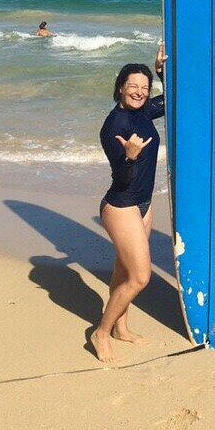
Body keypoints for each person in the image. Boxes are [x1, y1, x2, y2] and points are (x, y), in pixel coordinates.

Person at [91, 43, 166, 364]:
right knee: (140, 277)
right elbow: (120, 177)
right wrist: (130, 157)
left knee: (123, 270)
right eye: (133, 86)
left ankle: (121, 328)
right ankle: (101, 333)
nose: (139, 92)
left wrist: (162, 73)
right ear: (120, 87)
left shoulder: (143, 111)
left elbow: (172, 100)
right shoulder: (114, 126)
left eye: (144, 88)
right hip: (121, 205)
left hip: (143, 203)